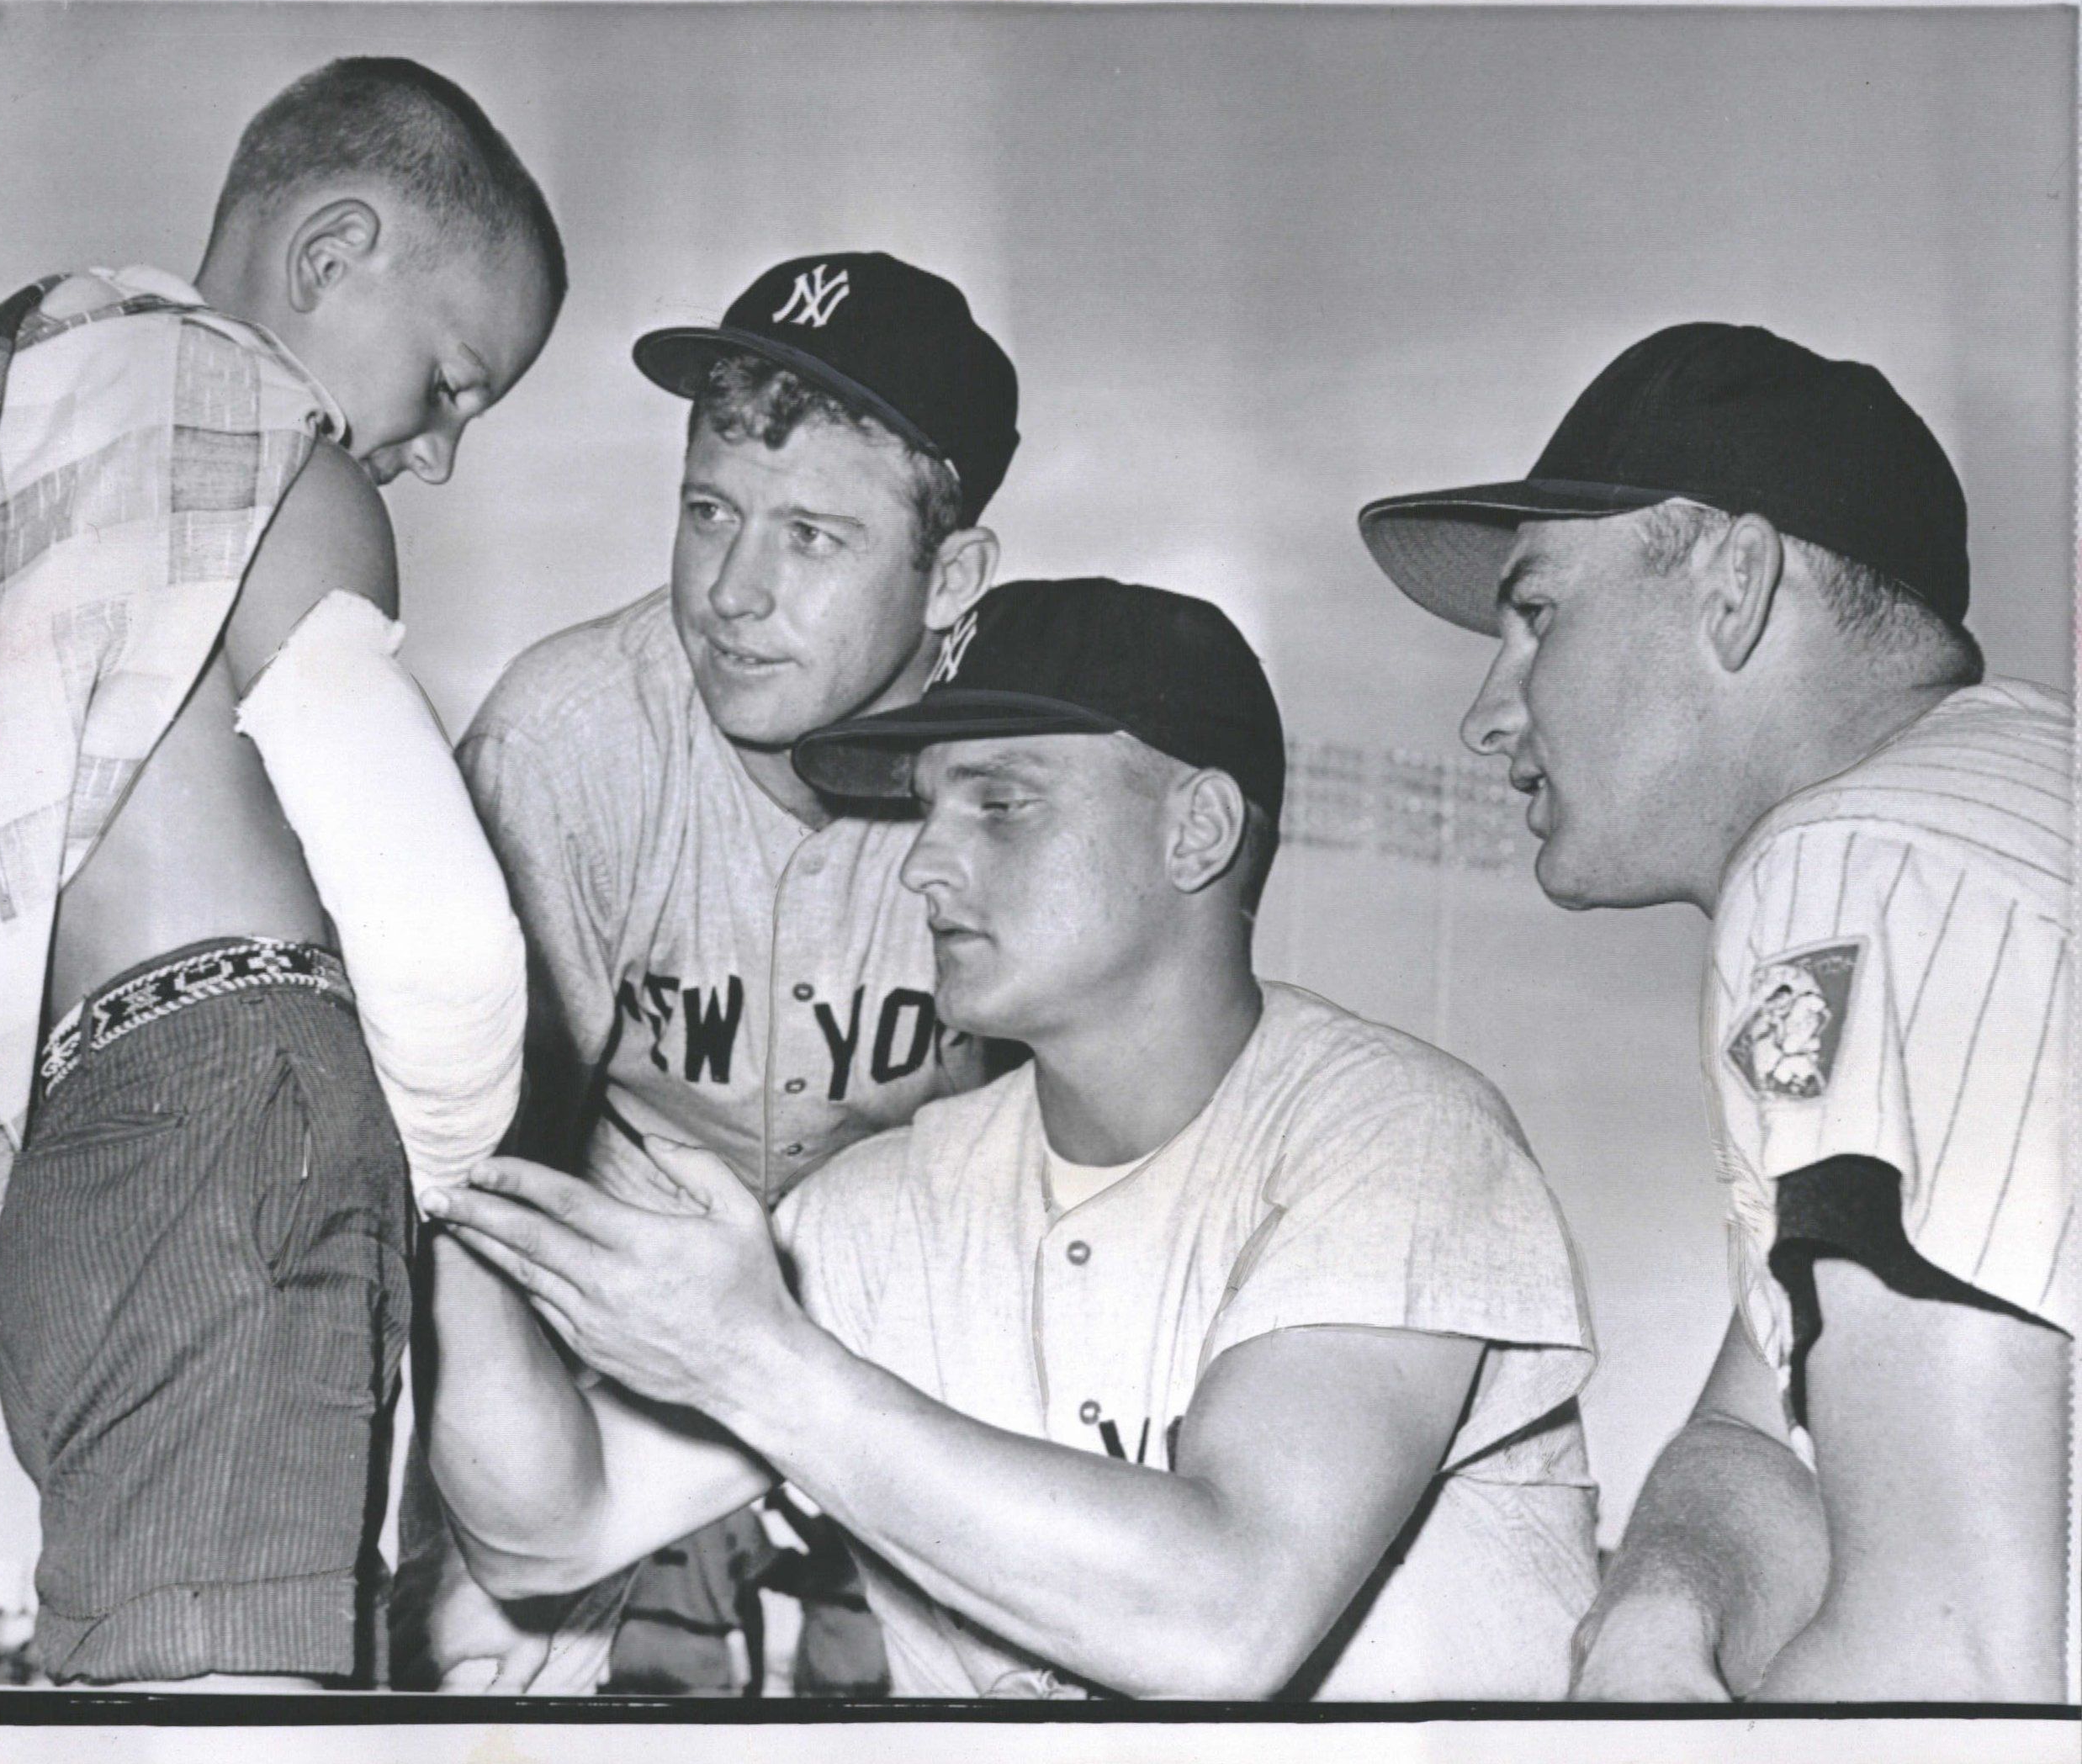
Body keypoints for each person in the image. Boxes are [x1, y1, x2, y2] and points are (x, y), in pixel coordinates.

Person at [421, 577, 1603, 1700]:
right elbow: (549, 1531)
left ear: (1196, 830)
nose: (923, 862)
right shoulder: (876, 1212)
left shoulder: (1395, 1135)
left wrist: (757, 1363)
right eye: (926, 805)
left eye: (1000, 802)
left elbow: (1226, 1618)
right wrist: (456, 1162)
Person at [1358, 322, 2073, 1703]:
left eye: (1537, 615)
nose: (1488, 715)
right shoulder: (1997, 808)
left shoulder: (1859, 867)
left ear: (1735, 586)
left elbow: (1954, 1679)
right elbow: (1755, 1431)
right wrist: (1657, 1610)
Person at [0, 56, 564, 1687]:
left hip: (61, 1163)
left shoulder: (14, 426)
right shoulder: (281, 454)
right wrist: (446, 1175)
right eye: (451, 382)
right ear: (329, 256)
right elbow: (436, 922)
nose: (437, 454)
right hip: (247, 1102)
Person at [402, 251, 1017, 1695]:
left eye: (812, 535)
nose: (733, 592)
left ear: (955, 579)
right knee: (481, 1674)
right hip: (602, 1343)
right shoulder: (570, 736)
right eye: (708, 514)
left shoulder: (1024, 777)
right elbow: (481, 1189)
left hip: (907, 1356)